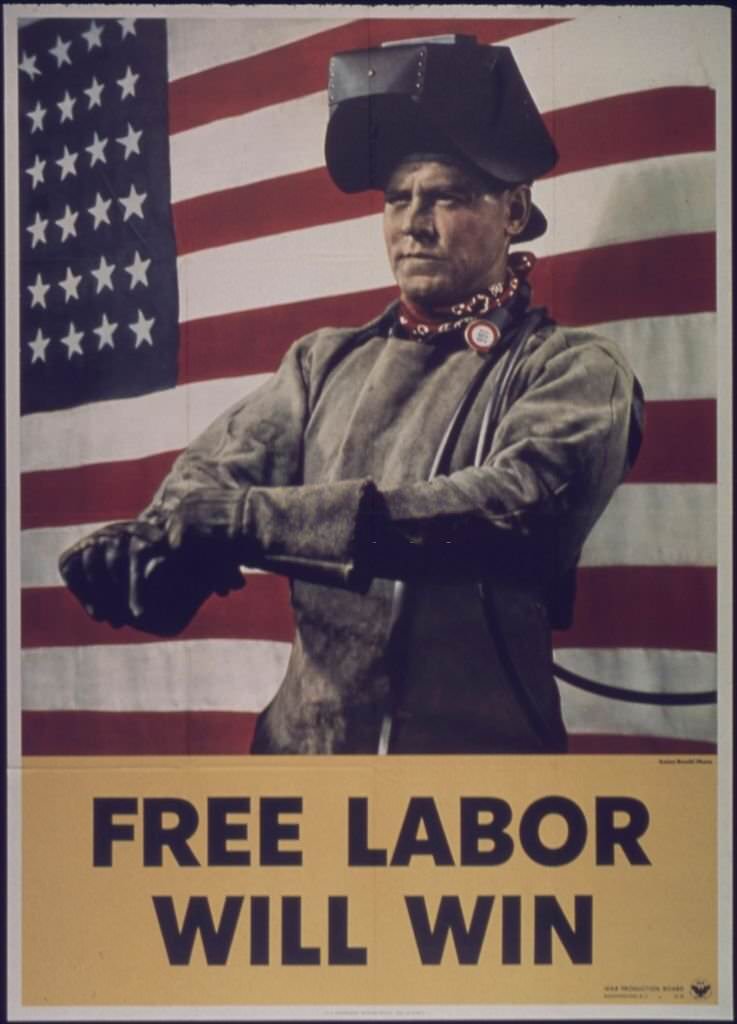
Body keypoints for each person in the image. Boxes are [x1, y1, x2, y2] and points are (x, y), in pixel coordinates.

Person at [59, 36, 644, 755]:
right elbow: (207, 486)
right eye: (398, 198)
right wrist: (146, 557)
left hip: (479, 784)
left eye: (447, 196)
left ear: (514, 212)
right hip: (303, 769)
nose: (413, 224)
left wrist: (243, 520)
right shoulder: (320, 363)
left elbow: (518, 511)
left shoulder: (573, 367)